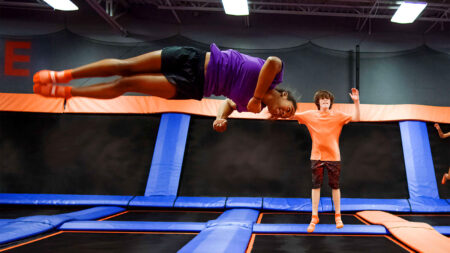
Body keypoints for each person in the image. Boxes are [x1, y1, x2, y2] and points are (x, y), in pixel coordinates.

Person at [33, 44, 297, 132]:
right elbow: (272, 61)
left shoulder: (253, 107)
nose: (285, 113)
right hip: (193, 58)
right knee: (126, 66)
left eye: (285, 116)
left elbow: (228, 103)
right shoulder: (274, 76)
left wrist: (219, 118)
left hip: (193, 85)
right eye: (288, 109)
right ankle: (63, 75)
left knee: (128, 83)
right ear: (284, 96)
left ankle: (67, 92)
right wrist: (257, 95)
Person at [294, 88, 360, 233]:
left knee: (335, 186)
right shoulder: (310, 115)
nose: (325, 101)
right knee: (315, 186)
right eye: (322, 99)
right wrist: (273, 107)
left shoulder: (338, 116)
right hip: (316, 156)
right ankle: (314, 216)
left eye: (327, 99)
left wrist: (356, 102)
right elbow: (291, 115)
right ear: (318, 102)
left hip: (333, 157)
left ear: (330, 102)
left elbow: (356, 118)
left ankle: (338, 216)